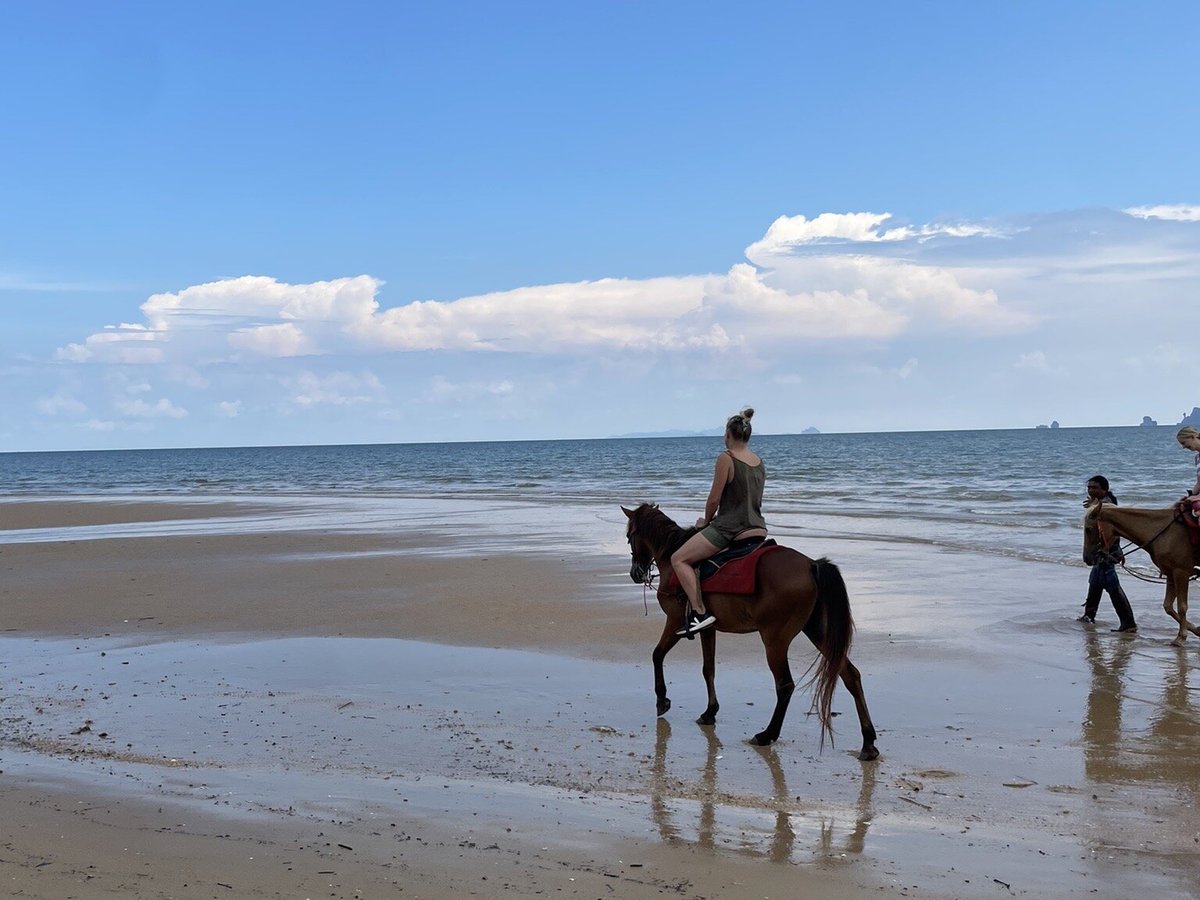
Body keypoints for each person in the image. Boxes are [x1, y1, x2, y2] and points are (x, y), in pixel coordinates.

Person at [670, 408, 768, 636]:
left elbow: (714, 498)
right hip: (758, 528)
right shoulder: (759, 462)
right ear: (747, 435)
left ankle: (699, 612)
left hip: (730, 529)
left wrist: (705, 522)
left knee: (679, 559)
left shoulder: (726, 458)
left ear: (728, 434)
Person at [1079, 475, 1137, 632]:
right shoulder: (1100, 504)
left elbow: (1115, 531)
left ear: (1104, 489)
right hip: (1103, 551)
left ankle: (1128, 622)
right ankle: (1089, 615)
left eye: (1094, 487)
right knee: (1095, 581)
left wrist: (1106, 550)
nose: (1091, 490)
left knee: (1112, 586)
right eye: (1089, 487)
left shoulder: (1107, 506)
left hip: (1107, 552)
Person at [1177, 426, 1200, 519]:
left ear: (1192, 437)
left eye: (1183, 443)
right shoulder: (1197, 458)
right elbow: (1199, 483)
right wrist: (1190, 496)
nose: (1183, 447)